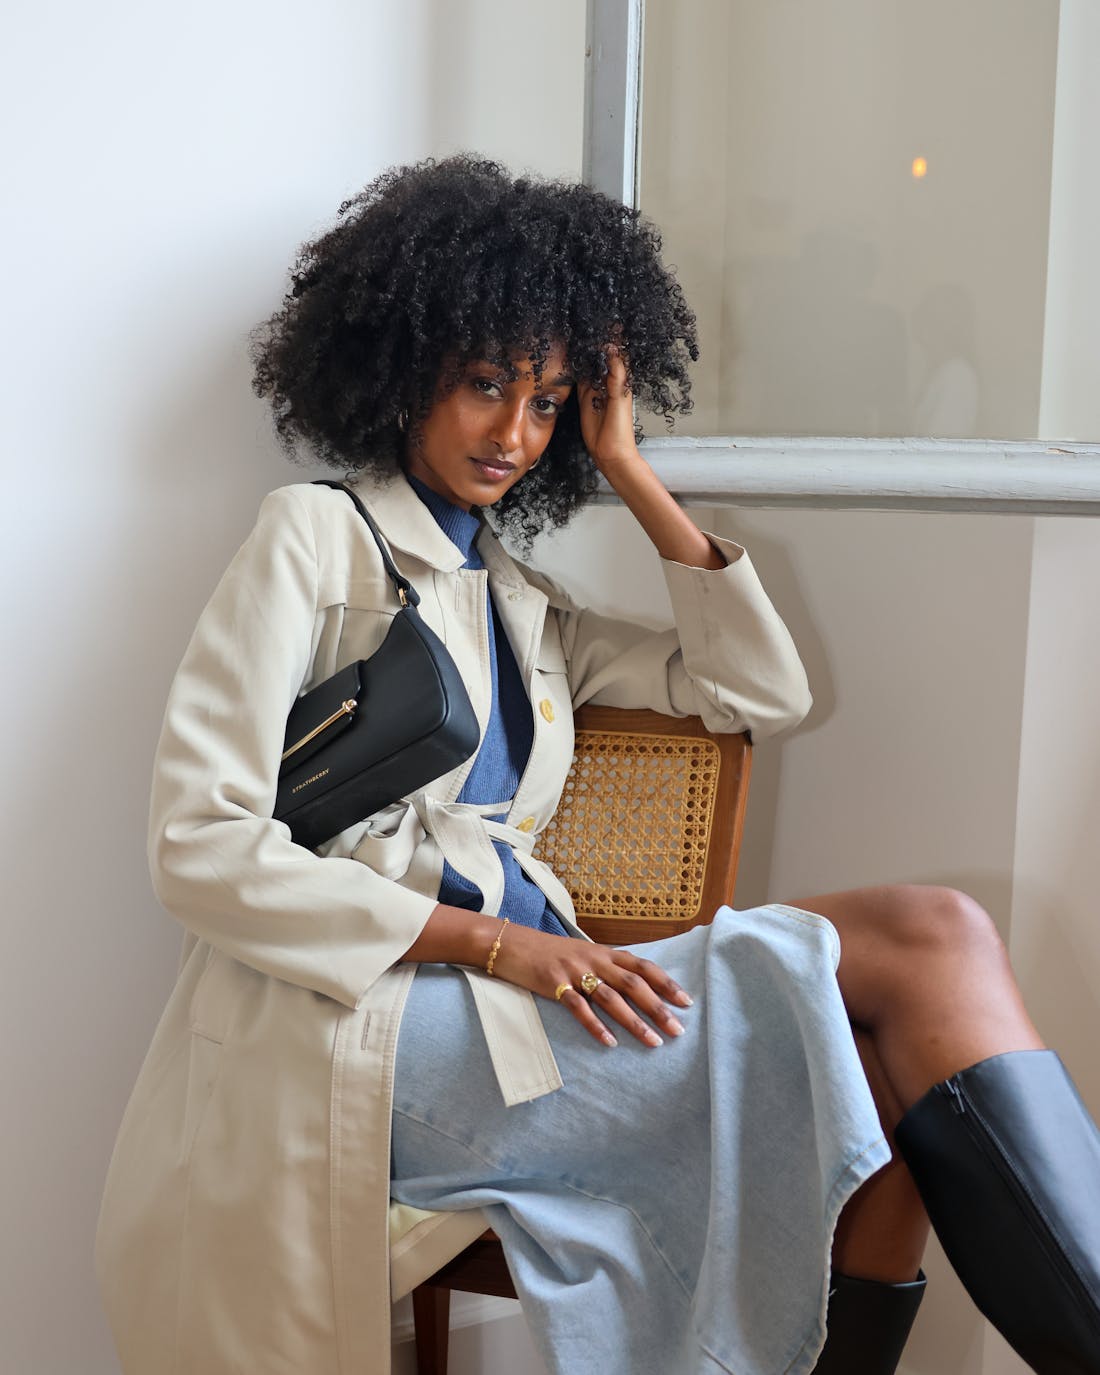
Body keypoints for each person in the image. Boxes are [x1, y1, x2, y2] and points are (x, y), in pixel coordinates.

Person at [95, 155, 1100, 1375]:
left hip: (532, 1006)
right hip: (364, 1032)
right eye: (482, 386)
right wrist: (496, 941)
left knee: (894, 1084)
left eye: (549, 401)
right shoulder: (314, 538)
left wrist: (628, 467)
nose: (513, 434)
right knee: (927, 935)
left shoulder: (522, 606)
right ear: (402, 365)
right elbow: (197, 845)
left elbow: (759, 692)